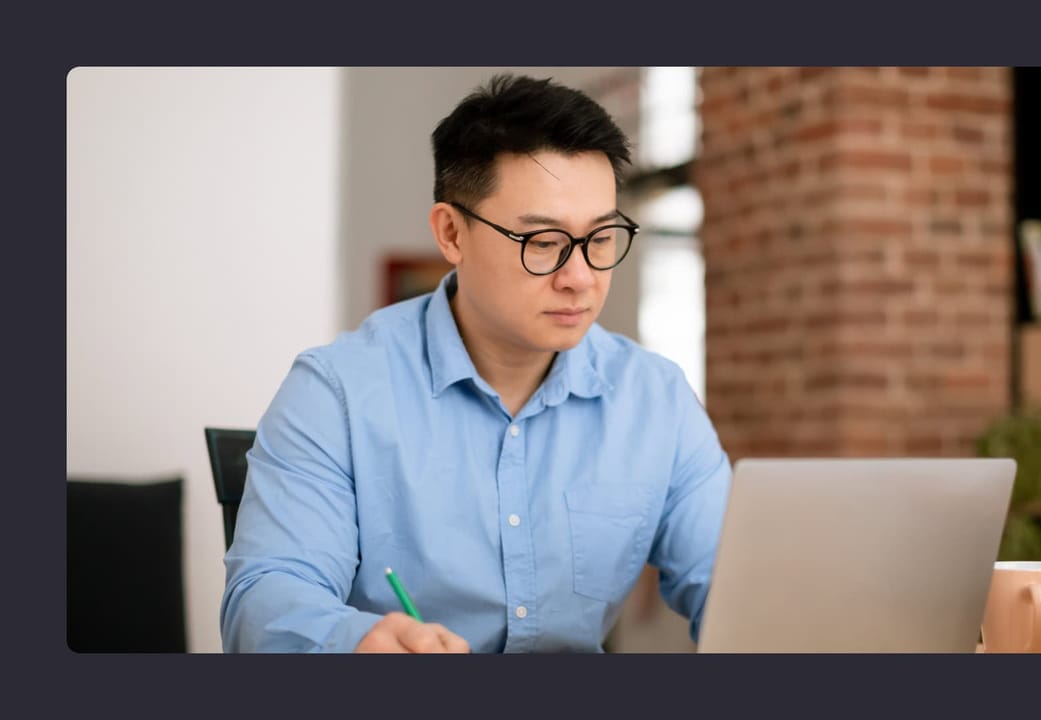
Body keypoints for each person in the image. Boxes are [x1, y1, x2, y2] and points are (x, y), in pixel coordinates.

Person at [220, 74, 732, 653]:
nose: (581, 278)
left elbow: (735, 590)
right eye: (542, 242)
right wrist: (357, 643)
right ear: (451, 233)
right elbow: (265, 603)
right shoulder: (335, 393)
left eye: (602, 237)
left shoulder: (655, 401)